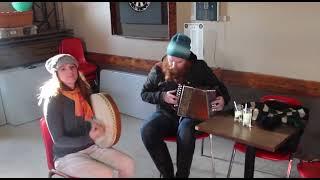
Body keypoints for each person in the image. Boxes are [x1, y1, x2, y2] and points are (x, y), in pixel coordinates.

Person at [140, 33, 230, 178]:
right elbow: (144, 93)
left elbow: (220, 88)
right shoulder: (158, 68)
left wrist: (223, 100)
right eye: (170, 60)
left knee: (186, 129)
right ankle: (167, 174)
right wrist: (163, 97)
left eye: (179, 62)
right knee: (147, 130)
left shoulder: (199, 67)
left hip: (191, 116)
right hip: (166, 115)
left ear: (187, 59)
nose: (173, 65)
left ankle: (182, 175)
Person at [38, 54, 135, 178]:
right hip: (67, 155)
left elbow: (94, 117)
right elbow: (59, 140)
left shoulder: (83, 91)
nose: (70, 72)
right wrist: (89, 137)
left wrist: (100, 128)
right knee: (105, 174)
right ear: (56, 74)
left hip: (91, 146)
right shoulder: (53, 100)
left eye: (72, 67)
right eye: (63, 69)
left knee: (128, 163)